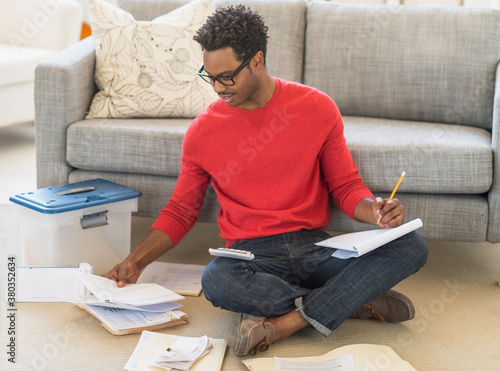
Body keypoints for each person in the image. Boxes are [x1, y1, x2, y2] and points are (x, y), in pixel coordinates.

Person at [105, 5, 428, 357]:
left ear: (257, 60)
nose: (216, 88)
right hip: (250, 255)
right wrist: (136, 261)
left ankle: (287, 321)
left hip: (314, 249)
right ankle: (349, 301)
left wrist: (377, 212)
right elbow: (182, 210)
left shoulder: (316, 107)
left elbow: (345, 187)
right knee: (216, 279)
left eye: (226, 76)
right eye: (208, 76)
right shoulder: (202, 131)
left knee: (410, 245)